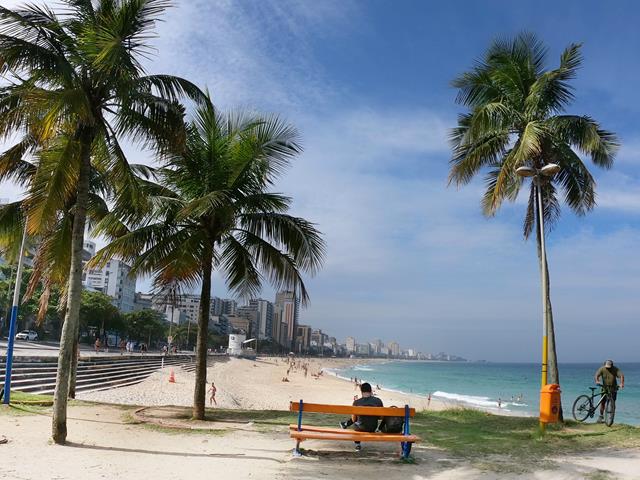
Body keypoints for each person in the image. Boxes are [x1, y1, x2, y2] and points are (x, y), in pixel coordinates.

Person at [339, 382, 383, 451]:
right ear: (371, 391)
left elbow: (353, 420)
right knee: (359, 420)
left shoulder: (356, 402)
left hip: (360, 428)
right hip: (372, 428)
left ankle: (357, 444)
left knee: (357, 421)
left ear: (361, 391)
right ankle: (345, 424)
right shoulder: (378, 401)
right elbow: (381, 417)